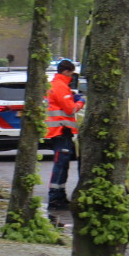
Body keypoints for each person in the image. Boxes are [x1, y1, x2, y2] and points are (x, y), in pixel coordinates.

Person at [45, 59, 84, 210]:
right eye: (71, 74)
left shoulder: (55, 85)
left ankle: (59, 195)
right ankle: (55, 197)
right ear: (66, 72)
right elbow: (70, 109)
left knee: (62, 164)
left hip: (58, 130)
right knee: (60, 165)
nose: (72, 77)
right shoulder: (60, 86)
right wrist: (80, 102)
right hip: (62, 130)